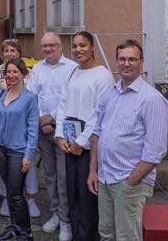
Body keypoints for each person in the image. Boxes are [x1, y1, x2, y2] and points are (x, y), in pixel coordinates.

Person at [88, 40, 168, 240]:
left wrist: (131, 181)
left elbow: (155, 151)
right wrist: (92, 170)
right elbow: (97, 133)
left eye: (132, 59)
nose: (126, 63)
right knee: (106, 233)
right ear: (116, 61)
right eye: (122, 59)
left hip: (129, 181)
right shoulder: (110, 94)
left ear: (141, 62)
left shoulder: (152, 99)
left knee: (126, 237)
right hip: (105, 177)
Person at [54, 31, 114, 241]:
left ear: (92, 48)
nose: (78, 50)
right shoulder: (73, 72)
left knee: (89, 202)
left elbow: (99, 114)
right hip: (69, 146)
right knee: (74, 199)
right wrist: (60, 135)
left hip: (89, 150)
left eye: (83, 45)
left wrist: (81, 142)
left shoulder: (103, 76)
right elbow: (62, 105)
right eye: (75, 46)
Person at [27, 32, 77, 240]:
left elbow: (72, 98)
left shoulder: (72, 68)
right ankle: (55, 213)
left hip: (64, 131)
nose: (47, 49)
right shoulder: (37, 69)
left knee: (64, 177)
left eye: (51, 45)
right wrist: (41, 118)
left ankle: (66, 221)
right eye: (44, 46)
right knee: (49, 175)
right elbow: (31, 96)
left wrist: (52, 119)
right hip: (42, 129)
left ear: (60, 46)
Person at [0, 58, 39, 241]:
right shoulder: (1, 95)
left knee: (16, 192)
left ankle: (26, 232)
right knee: (10, 191)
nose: (10, 75)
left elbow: (33, 130)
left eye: (15, 72)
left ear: (23, 75)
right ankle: (15, 227)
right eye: (8, 72)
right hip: (1, 150)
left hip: (19, 152)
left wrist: (29, 155)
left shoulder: (30, 98)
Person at [0, 39, 40, 218]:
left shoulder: (29, 73)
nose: (9, 53)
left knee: (28, 163)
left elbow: (34, 97)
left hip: (24, 124)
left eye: (13, 50)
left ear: (19, 53)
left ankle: (30, 198)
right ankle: (7, 198)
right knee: (4, 165)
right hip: (4, 124)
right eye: (6, 50)